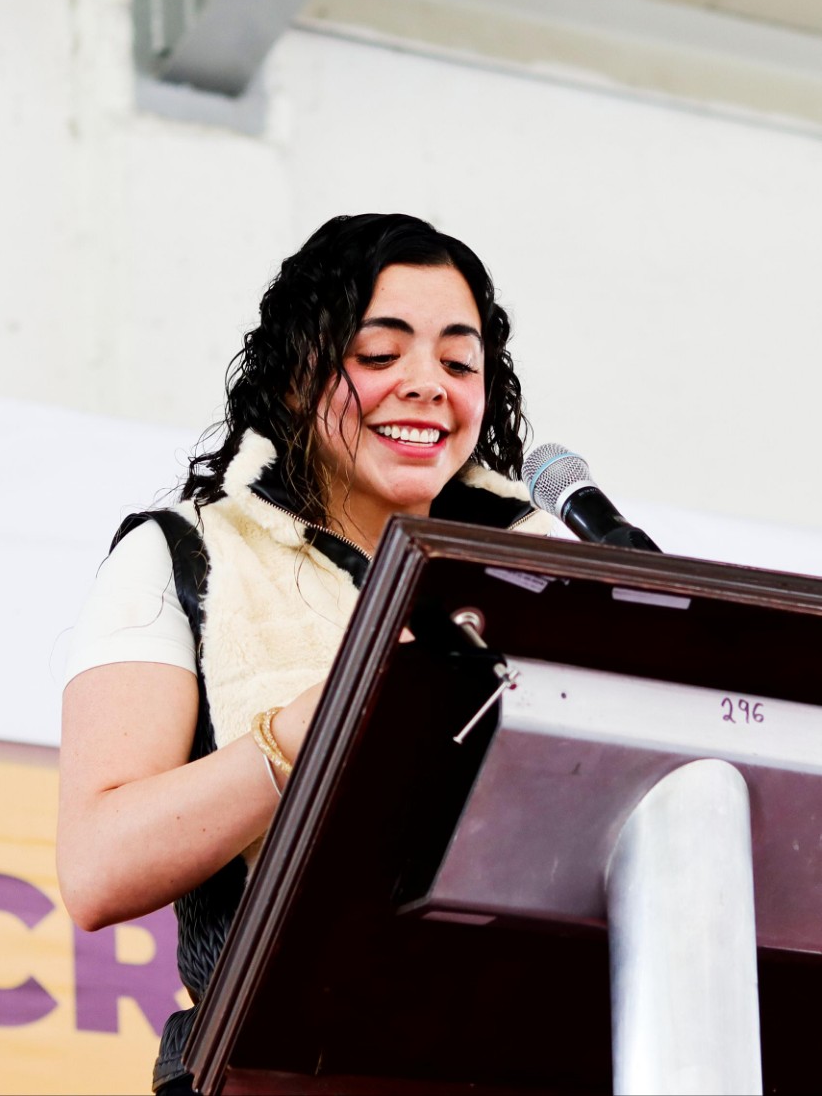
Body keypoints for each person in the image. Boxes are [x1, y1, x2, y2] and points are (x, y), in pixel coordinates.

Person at [57, 214, 556, 1094]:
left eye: (458, 362)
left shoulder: (545, 567)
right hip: (276, 1068)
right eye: (380, 354)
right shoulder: (187, 554)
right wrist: (311, 725)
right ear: (296, 376)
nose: (426, 386)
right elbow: (99, 868)